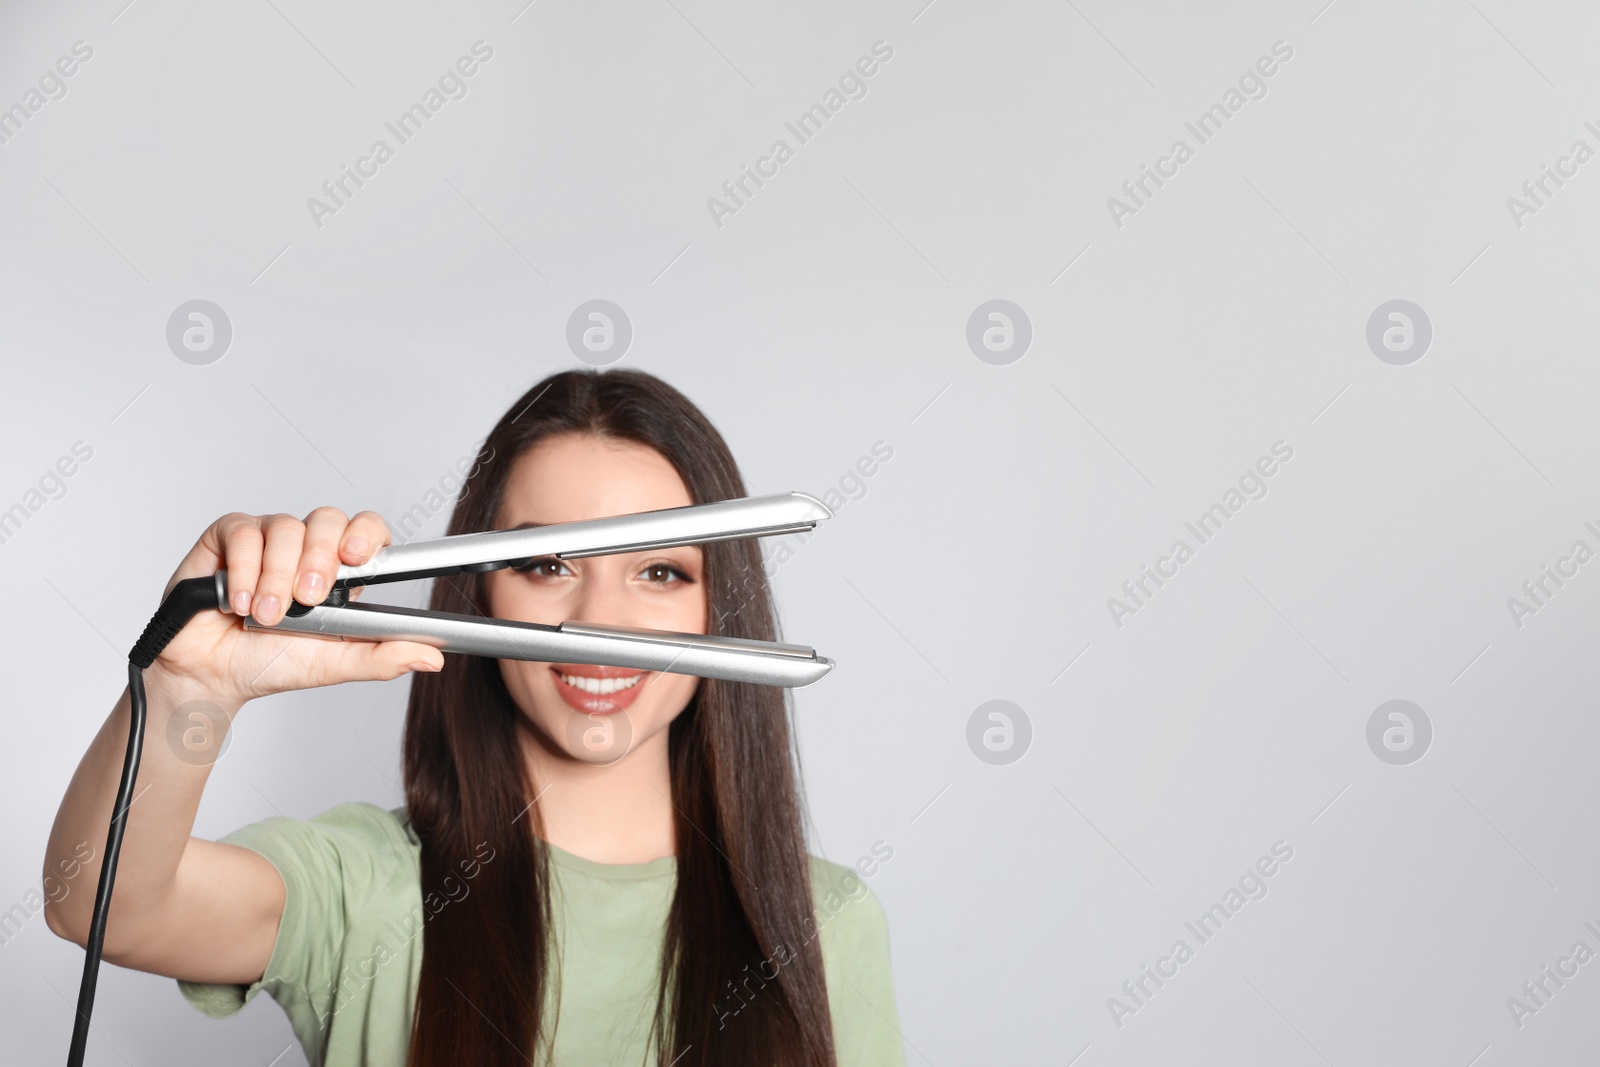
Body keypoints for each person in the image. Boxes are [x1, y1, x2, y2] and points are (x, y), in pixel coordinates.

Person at [43, 369, 906, 1066]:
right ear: (478, 588)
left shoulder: (827, 923)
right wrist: (189, 692)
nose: (600, 621)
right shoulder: (366, 887)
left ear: (722, 607)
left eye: (660, 573)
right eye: (545, 562)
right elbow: (101, 902)